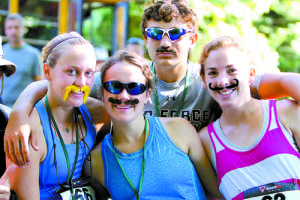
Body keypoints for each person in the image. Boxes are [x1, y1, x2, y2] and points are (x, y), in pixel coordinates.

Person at [4, 0, 300, 168]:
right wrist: (19, 113)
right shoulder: (128, 83)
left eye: (176, 33)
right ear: (145, 40)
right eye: (156, 33)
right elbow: (63, 85)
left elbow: (288, 82)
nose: (165, 41)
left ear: (192, 39)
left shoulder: (213, 79)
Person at [84, 50, 222, 199]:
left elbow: (216, 194)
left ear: (147, 94)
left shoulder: (179, 130)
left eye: (134, 87)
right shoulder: (95, 162)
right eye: (114, 86)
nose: (123, 95)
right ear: (102, 92)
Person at [6, 32, 110, 199]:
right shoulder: (30, 130)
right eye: (71, 71)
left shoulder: (88, 108)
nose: (81, 83)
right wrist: (19, 112)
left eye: (89, 73)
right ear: (47, 71)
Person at [199, 36, 300, 200]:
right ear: (204, 80)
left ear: (251, 74)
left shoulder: (286, 113)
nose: (223, 81)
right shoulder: (205, 141)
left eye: (232, 70)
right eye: (213, 73)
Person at [2, 13, 43, 108]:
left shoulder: (33, 54)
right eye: (10, 28)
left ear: (23, 29)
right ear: (5, 31)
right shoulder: (1, 53)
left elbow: (39, 85)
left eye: (16, 27)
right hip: (2, 109)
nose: (13, 31)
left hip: (24, 109)